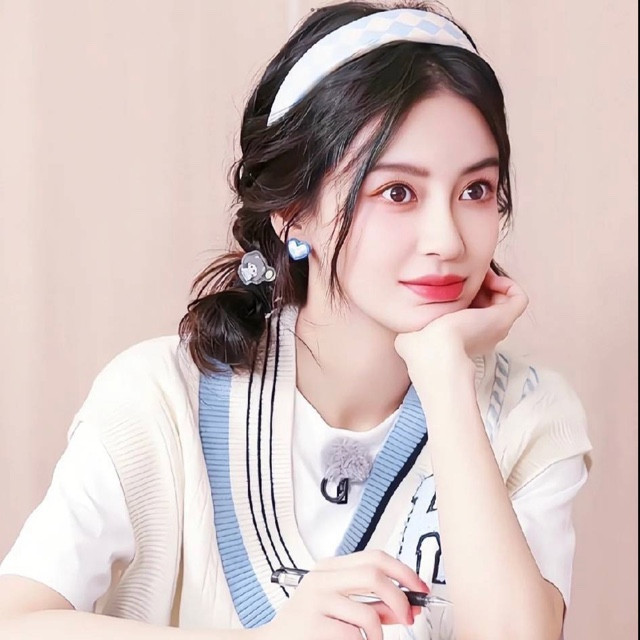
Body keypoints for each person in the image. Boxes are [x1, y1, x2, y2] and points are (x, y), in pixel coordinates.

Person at [0, 2, 593, 639]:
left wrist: (446, 375)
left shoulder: (529, 413)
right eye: (397, 192)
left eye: (475, 190)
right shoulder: (160, 398)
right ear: (292, 212)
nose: (447, 239)